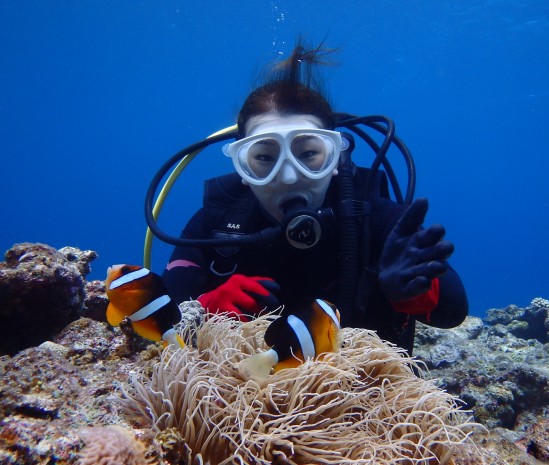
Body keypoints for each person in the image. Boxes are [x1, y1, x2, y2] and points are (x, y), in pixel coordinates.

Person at [161, 43, 468, 353]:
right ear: (242, 168)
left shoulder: (376, 219)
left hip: (368, 395)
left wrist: (415, 293)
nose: (289, 176)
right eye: (265, 158)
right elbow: (157, 316)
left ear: (335, 158)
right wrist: (203, 307)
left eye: (308, 153)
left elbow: (454, 311)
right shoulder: (216, 226)